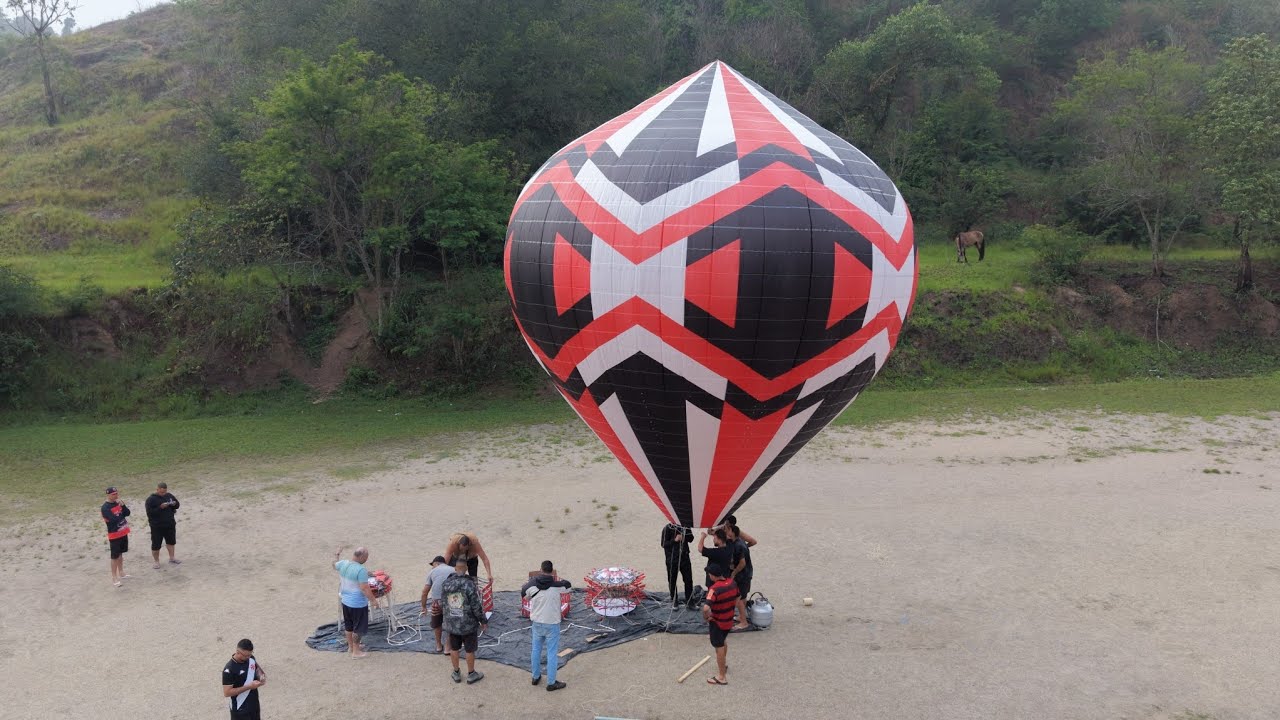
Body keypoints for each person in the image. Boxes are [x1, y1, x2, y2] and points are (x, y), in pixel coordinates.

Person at [522, 560, 572, 691]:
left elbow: (525, 597)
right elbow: (568, 587)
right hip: (552, 624)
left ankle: (535, 676)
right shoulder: (557, 586)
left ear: (541, 570)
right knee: (551, 653)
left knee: (536, 650)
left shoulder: (532, 586)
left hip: (537, 623)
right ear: (552, 571)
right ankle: (551, 682)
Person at [441, 557, 488, 684]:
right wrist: (483, 621)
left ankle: (456, 672)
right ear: (466, 569)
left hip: (452, 624)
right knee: (469, 649)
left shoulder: (446, 584)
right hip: (468, 624)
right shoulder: (469, 584)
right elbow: (476, 606)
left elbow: (443, 604)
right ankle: (471, 674)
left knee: (454, 648)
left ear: (455, 569)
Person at [333, 546, 377, 658]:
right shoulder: (361, 570)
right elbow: (364, 588)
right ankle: (356, 652)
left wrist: (337, 555)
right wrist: (373, 600)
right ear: (361, 556)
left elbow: (334, 565)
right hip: (357, 604)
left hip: (345, 601)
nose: (366, 559)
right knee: (358, 628)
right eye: (366, 557)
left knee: (349, 626)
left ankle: (351, 647)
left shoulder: (344, 564)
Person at [702, 563, 739, 686]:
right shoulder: (732, 583)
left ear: (713, 576)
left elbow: (706, 608)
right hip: (729, 620)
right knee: (723, 642)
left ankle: (721, 677)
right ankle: (724, 665)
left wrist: (706, 617)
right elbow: (738, 597)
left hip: (717, 622)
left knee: (719, 647)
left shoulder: (714, 589)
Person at [221, 638, 266, 720]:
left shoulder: (251, 659)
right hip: (240, 709)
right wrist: (249, 687)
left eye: (250, 654)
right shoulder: (229, 670)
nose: (248, 657)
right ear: (238, 652)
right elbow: (227, 692)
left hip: (254, 704)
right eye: (246, 655)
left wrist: (261, 676)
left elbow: (257, 669)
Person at [419, 555, 453, 653]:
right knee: (451, 623)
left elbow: (425, 592)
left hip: (437, 602)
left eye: (433, 565)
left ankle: (438, 645)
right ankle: (447, 646)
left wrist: (423, 606)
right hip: (451, 601)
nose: (432, 567)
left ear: (437, 563)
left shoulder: (432, 572)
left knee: (437, 623)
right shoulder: (453, 569)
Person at [145, 482, 181, 569]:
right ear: (157, 489)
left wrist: (174, 504)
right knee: (156, 544)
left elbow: (177, 505)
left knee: (171, 542)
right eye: (161, 492)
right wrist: (160, 508)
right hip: (157, 527)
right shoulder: (151, 499)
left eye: (164, 492)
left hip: (170, 524)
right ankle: (156, 562)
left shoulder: (169, 496)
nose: (163, 494)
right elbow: (150, 513)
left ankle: (172, 558)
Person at [725, 524, 754, 630]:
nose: (725, 532)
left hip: (743, 575)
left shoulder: (738, 546)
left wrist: (734, 573)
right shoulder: (739, 542)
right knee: (743, 596)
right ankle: (742, 616)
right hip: (747, 574)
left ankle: (744, 622)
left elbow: (742, 563)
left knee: (739, 599)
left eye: (727, 530)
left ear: (732, 532)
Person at [101, 487, 131, 587]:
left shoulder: (118, 503)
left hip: (123, 532)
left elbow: (127, 513)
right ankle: (114, 577)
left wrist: (123, 505)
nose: (116, 495)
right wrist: (120, 514)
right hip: (114, 535)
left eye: (116, 493)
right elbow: (114, 519)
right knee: (114, 556)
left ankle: (121, 572)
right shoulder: (105, 507)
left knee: (120, 554)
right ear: (108, 495)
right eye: (113, 494)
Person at [660, 523, 694, 609]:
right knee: (672, 580)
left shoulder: (686, 526)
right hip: (672, 559)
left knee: (688, 580)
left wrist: (684, 536)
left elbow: (691, 538)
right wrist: (674, 540)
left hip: (684, 557)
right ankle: (674, 600)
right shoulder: (667, 528)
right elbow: (664, 544)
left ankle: (690, 601)